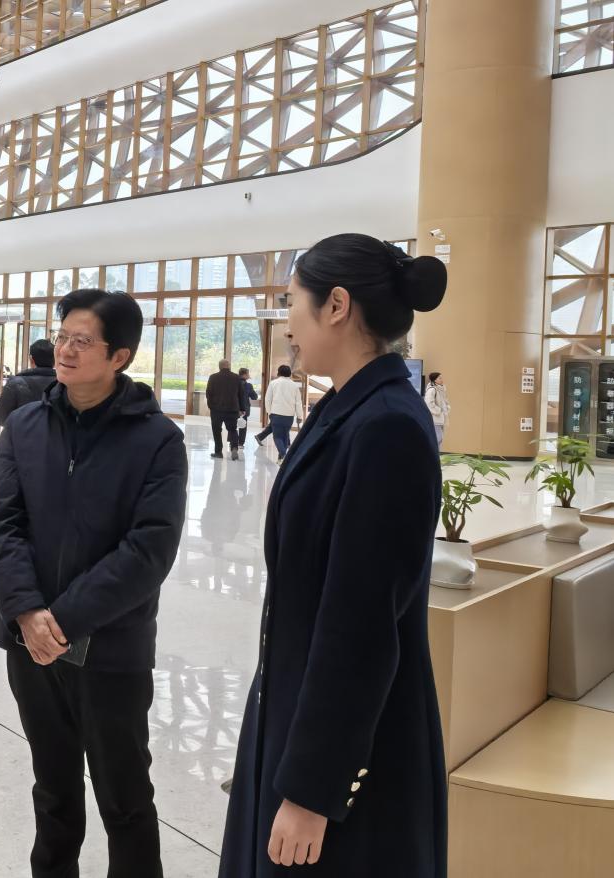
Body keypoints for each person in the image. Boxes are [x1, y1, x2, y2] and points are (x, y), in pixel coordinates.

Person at [220, 234, 448, 877]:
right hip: (295, 709)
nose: (288, 323)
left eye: (294, 302)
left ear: (337, 306)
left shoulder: (387, 428)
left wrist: (313, 790)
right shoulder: (347, 409)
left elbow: (361, 626)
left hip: (348, 754)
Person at [0, 289, 188, 878]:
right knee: (53, 790)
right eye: (62, 337)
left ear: (119, 356)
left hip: (111, 649)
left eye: (82, 341)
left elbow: (149, 549)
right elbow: (3, 526)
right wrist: (28, 613)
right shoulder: (25, 425)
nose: (65, 351)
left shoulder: (157, 440)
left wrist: (63, 620)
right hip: (30, 647)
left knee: (125, 797)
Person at [0, 338, 57, 426]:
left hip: (21, 433)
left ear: (31, 359)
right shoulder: (64, 384)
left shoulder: (15, 383)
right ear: (55, 359)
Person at [256, 365, 303, 461]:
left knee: (277, 437)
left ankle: (283, 454)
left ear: (278, 373)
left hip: (276, 413)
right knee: (285, 436)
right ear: (290, 373)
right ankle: (281, 458)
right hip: (289, 415)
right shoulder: (294, 386)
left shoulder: (273, 383)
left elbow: (268, 399)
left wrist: (269, 412)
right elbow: (298, 402)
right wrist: (299, 416)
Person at [206, 359, 243, 460]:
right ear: (229, 366)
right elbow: (241, 394)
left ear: (219, 366)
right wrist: (242, 408)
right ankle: (234, 448)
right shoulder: (236, 377)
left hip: (216, 410)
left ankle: (218, 452)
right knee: (232, 430)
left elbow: (209, 393)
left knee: (216, 430)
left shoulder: (213, 377)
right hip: (232, 409)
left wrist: (210, 406)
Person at [424, 372, 450, 447]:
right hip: (435, 419)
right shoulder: (432, 390)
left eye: (441, 378)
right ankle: (433, 454)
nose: (442, 379)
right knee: (437, 439)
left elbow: (445, 402)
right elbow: (429, 403)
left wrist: (447, 408)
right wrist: (439, 411)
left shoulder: (441, 390)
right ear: (435, 380)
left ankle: (436, 453)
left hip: (441, 419)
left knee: (439, 439)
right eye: (439, 378)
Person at [238, 367, 259, 449]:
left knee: (232, 426)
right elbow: (254, 397)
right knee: (243, 426)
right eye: (248, 374)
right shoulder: (248, 385)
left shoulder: (233, 383)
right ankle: (240, 444)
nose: (248, 375)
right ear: (244, 374)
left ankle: (232, 442)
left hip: (234, 408)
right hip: (244, 409)